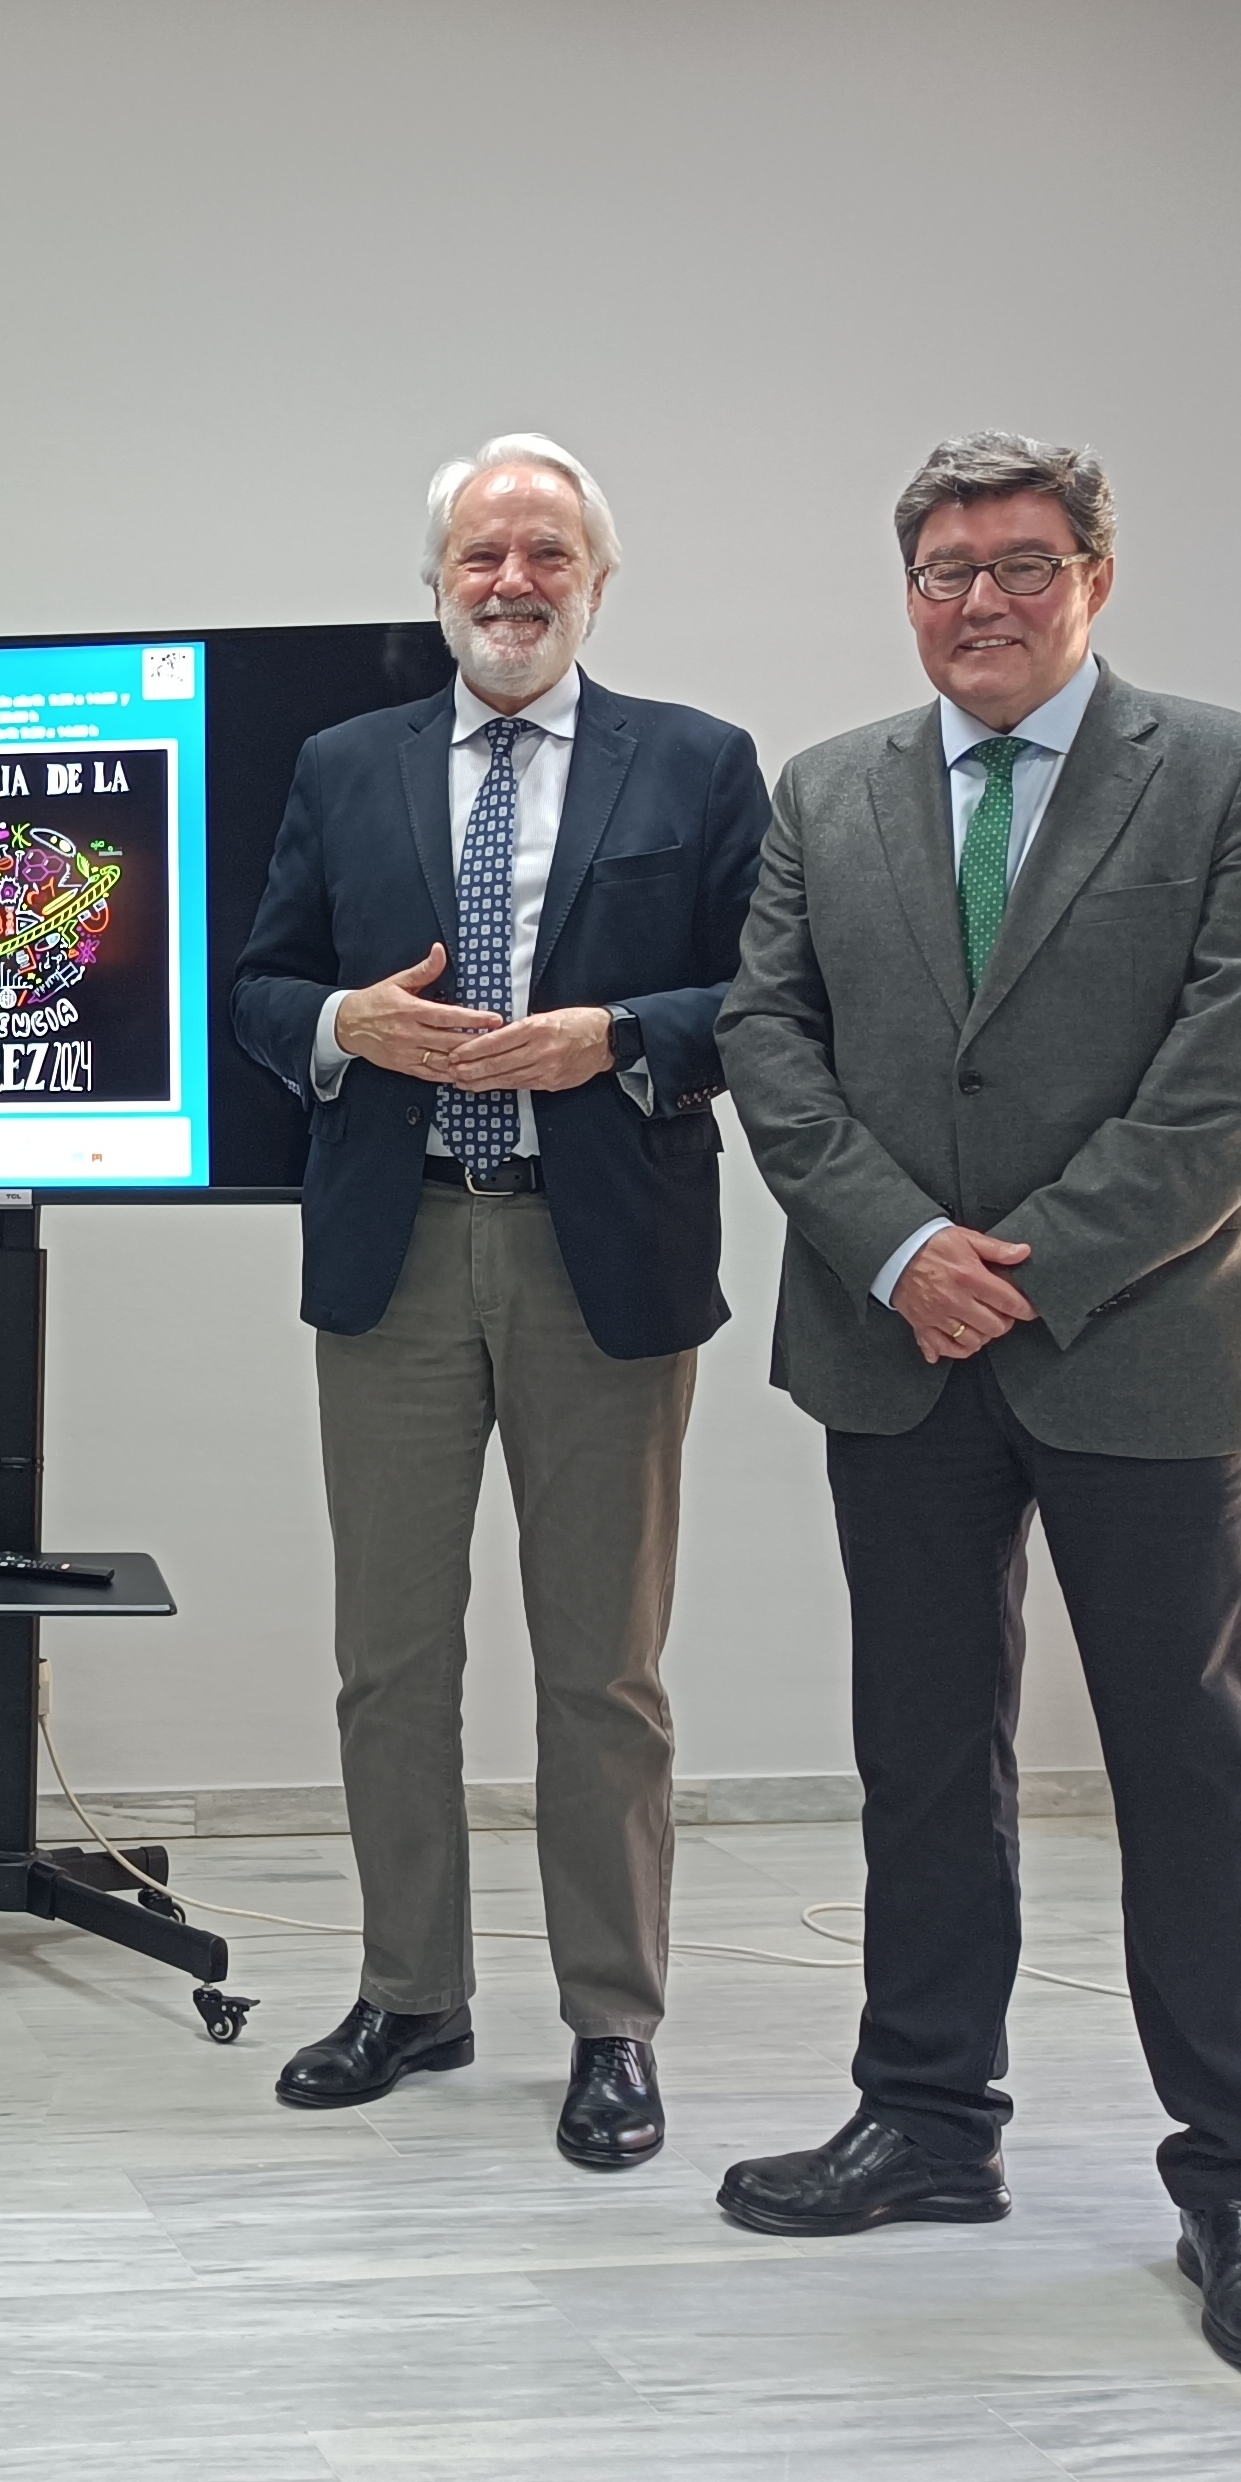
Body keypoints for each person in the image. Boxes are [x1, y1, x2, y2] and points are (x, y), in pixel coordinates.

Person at [714, 433, 1241, 2381]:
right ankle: (926, 2119)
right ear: (907, 590)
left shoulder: (1232, 775)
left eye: (1022, 562)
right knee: (922, 1752)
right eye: (945, 569)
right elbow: (765, 1032)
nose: (980, 598)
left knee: (1189, 1771)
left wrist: (1032, 1261)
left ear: (1094, 576)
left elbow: (1240, 1074)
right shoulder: (827, 793)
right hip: (895, 1352)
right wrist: (908, 1250)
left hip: (1141, 1351)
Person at [229, 434, 769, 2169]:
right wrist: (339, 1027)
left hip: (593, 1253)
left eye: (547, 552)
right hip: (395, 1252)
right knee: (389, 1659)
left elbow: (765, 994)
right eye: (484, 555)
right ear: (441, 584)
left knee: (600, 1669)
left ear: (595, 582)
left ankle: (612, 2023)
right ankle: (413, 1991)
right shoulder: (344, 762)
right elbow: (260, 985)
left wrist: (612, 1037)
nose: (513, 582)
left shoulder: (695, 766)